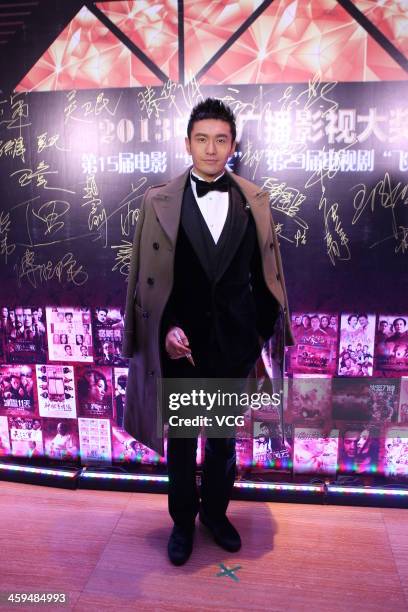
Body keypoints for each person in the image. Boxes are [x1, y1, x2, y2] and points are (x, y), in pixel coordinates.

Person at [122, 98, 293, 566]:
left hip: (233, 347)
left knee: (220, 442)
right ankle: (182, 521)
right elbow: (148, 277)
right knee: (181, 443)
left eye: (221, 139)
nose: (211, 149)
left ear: (232, 145)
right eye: (202, 139)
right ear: (187, 144)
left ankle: (215, 515)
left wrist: (257, 332)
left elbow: (266, 276)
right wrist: (165, 330)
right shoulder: (157, 201)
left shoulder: (253, 201)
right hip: (182, 351)